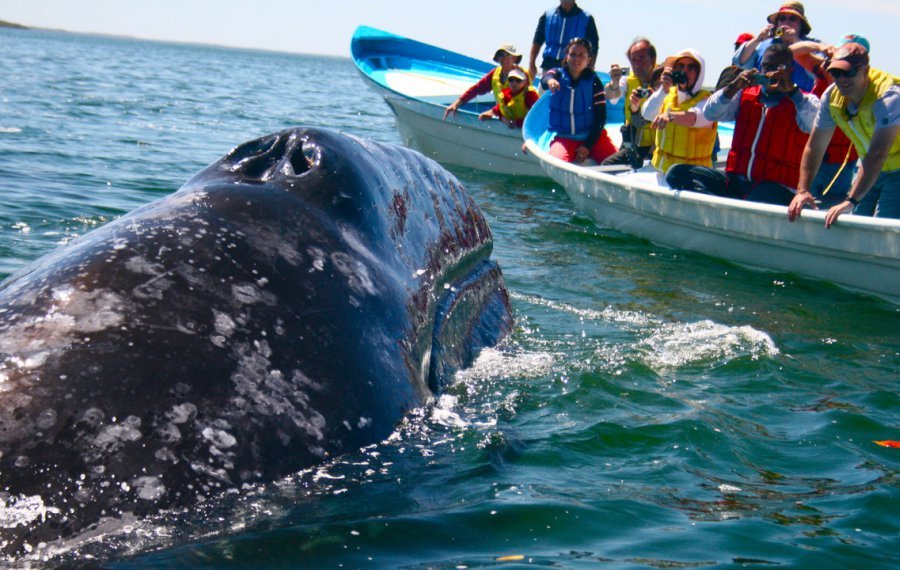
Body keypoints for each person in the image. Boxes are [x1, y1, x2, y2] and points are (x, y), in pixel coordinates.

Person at [667, 43, 819, 203]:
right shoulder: (744, 95)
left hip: (777, 187)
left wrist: (793, 93)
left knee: (756, 197)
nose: (770, 72)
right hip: (736, 181)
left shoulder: (805, 100)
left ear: (790, 70)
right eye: (766, 66)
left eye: (777, 67)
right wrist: (733, 86)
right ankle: (718, 212)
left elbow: (815, 126)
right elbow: (710, 113)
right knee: (676, 173)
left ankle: (729, 211)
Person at [787, 42, 900, 227]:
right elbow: (815, 146)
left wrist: (851, 200)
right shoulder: (831, 96)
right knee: (857, 224)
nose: (841, 79)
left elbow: (878, 153)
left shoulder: (889, 97)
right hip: (872, 170)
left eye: (848, 73)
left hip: (895, 171)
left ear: (865, 70)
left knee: (882, 227)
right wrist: (802, 190)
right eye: (835, 73)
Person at [641, 49, 718, 180]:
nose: (684, 71)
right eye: (680, 66)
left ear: (699, 73)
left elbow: (696, 117)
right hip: (660, 171)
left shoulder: (707, 101)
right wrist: (663, 89)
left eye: (691, 67)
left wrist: (669, 116)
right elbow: (647, 114)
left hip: (692, 178)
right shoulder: (667, 94)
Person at [541, 37, 616, 164]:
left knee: (617, 164)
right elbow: (546, 78)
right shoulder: (557, 74)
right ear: (567, 57)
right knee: (557, 163)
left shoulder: (594, 82)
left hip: (593, 138)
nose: (577, 59)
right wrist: (550, 81)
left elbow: (601, 118)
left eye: (581, 55)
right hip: (564, 139)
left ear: (589, 59)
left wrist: (587, 146)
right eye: (573, 54)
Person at [733, 2, 816, 92]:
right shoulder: (764, 45)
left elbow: (818, 72)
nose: (786, 23)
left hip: (800, 102)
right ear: (777, 23)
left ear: (801, 24)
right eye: (782, 18)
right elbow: (739, 62)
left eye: (792, 19)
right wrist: (757, 39)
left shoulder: (813, 45)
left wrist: (796, 40)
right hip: (766, 102)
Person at [601, 38, 658, 167]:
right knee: (608, 165)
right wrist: (614, 82)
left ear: (653, 59)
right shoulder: (626, 82)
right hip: (635, 146)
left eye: (642, 58)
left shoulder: (664, 82)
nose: (638, 64)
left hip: (659, 147)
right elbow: (611, 95)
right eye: (634, 60)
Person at [444, 43, 527, 120]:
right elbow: (476, 89)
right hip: (503, 118)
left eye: (507, 55)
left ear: (514, 58)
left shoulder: (522, 75)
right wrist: (457, 103)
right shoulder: (495, 74)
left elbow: (519, 100)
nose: (503, 58)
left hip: (520, 121)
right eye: (500, 55)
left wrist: (493, 112)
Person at [529, 0, 599, 82]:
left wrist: (590, 67)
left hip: (574, 69)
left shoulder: (586, 18)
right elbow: (537, 40)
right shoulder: (547, 15)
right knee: (546, 94)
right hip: (549, 67)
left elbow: (593, 46)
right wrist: (532, 63)